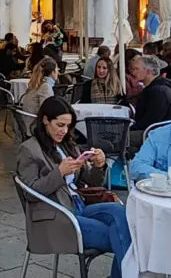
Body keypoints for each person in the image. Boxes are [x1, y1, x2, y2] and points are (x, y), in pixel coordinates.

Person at [16, 97, 131, 278]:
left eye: (68, 126)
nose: (64, 131)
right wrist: (59, 173)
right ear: (45, 120)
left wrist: (99, 165)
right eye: (59, 125)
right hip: (56, 216)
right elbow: (31, 192)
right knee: (122, 236)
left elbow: (92, 182)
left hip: (78, 205)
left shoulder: (67, 144)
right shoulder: (29, 149)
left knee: (121, 215)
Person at [129, 55, 171, 144]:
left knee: (121, 138)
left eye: (136, 69)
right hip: (163, 131)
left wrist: (130, 128)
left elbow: (151, 120)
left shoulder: (158, 91)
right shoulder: (158, 88)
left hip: (158, 134)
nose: (133, 72)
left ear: (148, 71)